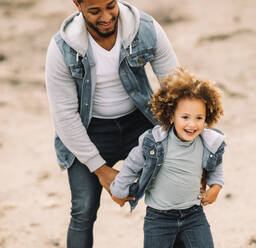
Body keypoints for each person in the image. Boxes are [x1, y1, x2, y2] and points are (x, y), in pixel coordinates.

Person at [45, 0, 179, 247]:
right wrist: (101, 170)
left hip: (140, 124)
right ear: (77, 4)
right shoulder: (62, 47)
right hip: (90, 131)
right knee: (83, 210)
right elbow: (64, 116)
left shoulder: (145, 29)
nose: (106, 17)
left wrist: (187, 144)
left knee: (172, 199)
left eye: (110, 6)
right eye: (95, 11)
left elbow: (176, 86)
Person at [110, 68, 226, 248]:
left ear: (207, 118)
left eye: (199, 118)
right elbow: (132, 164)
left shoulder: (209, 143)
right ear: (171, 116)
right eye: (185, 117)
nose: (192, 124)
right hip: (159, 219)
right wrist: (119, 190)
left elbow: (216, 165)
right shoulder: (155, 142)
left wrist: (216, 187)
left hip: (193, 215)